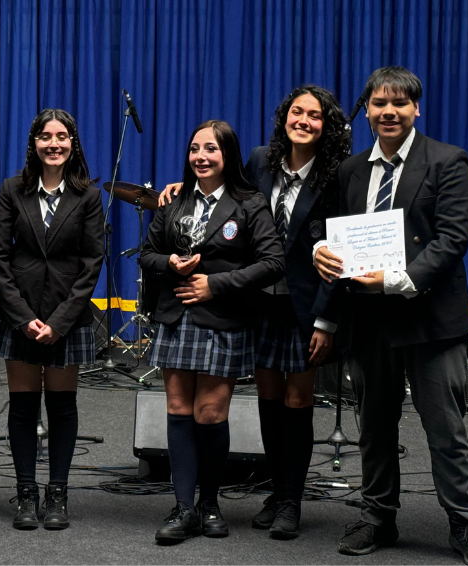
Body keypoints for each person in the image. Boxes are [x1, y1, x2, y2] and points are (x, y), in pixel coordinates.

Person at [312, 66, 468, 565]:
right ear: (367, 111)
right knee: (374, 426)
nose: (388, 112)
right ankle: (378, 517)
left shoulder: (448, 160)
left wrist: (396, 281)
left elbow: (453, 239)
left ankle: (465, 524)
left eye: (399, 104)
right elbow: (334, 234)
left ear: (416, 109)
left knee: (445, 428)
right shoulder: (350, 171)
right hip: (368, 321)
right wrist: (321, 251)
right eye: (379, 103)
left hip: (430, 318)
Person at [157, 86, 350, 539]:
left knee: (298, 400)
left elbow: (342, 248)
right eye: (296, 112)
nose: (303, 120)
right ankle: (274, 489)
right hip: (259, 302)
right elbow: (223, 191)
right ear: (284, 117)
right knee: (267, 399)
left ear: (327, 125)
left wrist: (327, 319)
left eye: (314, 115)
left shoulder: (337, 173)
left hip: (307, 306)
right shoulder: (262, 160)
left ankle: (291, 501)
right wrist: (178, 186)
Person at [140, 120, 284, 543]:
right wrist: (169, 264)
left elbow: (273, 263)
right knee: (180, 410)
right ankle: (184, 508)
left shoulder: (249, 203)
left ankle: (210, 503)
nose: (201, 156)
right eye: (194, 149)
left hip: (223, 321)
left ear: (228, 156)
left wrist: (215, 284)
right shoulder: (174, 200)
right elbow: (147, 253)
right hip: (175, 319)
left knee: (211, 414)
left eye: (211, 149)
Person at [0, 108, 103, 530]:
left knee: (61, 406)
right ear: (33, 143)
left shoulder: (89, 196)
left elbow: (93, 262)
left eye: (62, 137)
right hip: (17, 314)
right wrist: (22, 318)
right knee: (22, 407)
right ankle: (25, 493)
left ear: (72, 144)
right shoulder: (12, 189)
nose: (53, 144)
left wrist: (60, 321)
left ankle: (57, 493)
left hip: (66, 318)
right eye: (45, 136)